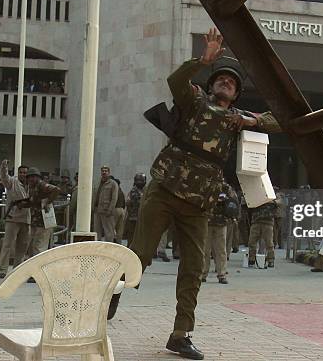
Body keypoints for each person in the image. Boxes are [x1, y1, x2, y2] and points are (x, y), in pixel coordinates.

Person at [110, 28, 281, 359]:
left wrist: (252, 118)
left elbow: (280, 121)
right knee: (141, 253)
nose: (226, 82)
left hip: (198, 202)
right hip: (165, 187)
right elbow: (175, 81)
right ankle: (115, 290)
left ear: (237, 93)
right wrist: (202, 61)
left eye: (232, 82)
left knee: (193, 267)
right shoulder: (195, 100)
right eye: (221, 78)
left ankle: (180, 332)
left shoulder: (238, 120)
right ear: (211, 84)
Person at [0, 160, 31, 279]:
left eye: (25, 173)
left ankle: (17, 269)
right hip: (13, 218)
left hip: (26, 220)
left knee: (22, 246)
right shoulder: (12, 182)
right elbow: (4, 177)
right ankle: (2, 270)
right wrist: (3, 167)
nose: (23, 174)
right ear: (18, 173)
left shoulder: (32, 185)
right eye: (21, 172)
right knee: (7, 245)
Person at [202, 182, 238, 284]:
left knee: (221, 250)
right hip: (208, 222)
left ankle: (221, 274)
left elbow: (233, 202)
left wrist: (223, 200)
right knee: (205, 250)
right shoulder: (206, 185)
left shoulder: (226, 188)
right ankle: (203, 273)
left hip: (221, 223)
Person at [25, 167, 60, 264]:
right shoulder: (32, 188)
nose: (30, 179)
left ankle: (39, 271)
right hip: (36, 221)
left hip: (44, 221)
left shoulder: (42, 185)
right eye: (29, 177)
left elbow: (56, 190)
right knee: (33, 246)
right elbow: (33, 202)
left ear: (37, 177)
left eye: (33, 177)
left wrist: (47, 202)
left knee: (39, 247)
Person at [248, 199, 279, 268]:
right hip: (257, 221)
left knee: (269, 243)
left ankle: (270, 260)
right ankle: (251, 259)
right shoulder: (256, 198)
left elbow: (277, 208)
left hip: (267, 222)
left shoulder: (271, 199)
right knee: (252, 242)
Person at [92, 166, 118, 242]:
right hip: (97, 210)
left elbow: (114, 198)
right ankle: (97, 247)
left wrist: (110, 210)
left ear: (109, 173)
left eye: (106, 171)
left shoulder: (113, 184)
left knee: (108, 232)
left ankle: (108, 247)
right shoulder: (98, 182)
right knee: (97, 231)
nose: (104, 172)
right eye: (102, 171)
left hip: (106, 211)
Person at [123, 173, 146, 246]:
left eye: (142, 180)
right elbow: (130, 204)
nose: (140, 182)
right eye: (138, 180)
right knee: (132, 236)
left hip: (142, 217)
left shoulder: (145, 190)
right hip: (134, 218)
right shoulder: (133, 191)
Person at [112, 177, 126, 244]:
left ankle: (113, 242)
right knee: (120, 229)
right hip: (122, 210)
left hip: (115, 209)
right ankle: (119, 243)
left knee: (111, 228)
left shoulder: (115, 190)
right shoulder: (121, 191)